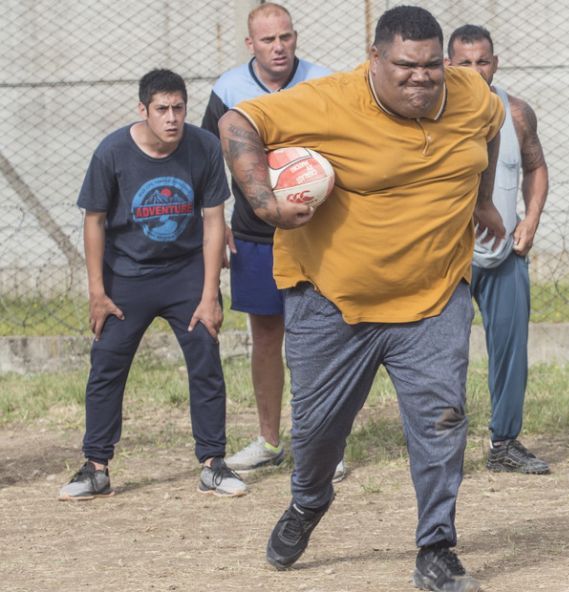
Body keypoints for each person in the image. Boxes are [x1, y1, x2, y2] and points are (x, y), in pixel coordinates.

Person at [217, 6, 504, 591]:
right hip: (332, 300)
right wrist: (264, 203)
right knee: (319, 432)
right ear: (374, 58)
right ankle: (307, 502)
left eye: (431, 66)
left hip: (435, 296)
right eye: (404, 66)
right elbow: (235, 124)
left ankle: (436, 548)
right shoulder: (328, 100)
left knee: (442, 421)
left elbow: (493, 131)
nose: (420, 78)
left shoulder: (470, 93)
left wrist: (481, 197)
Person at [59, 69, 247, 501]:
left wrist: (208, 295)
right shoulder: (112, 152)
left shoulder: (203, 147)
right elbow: (94, 222)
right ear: (143, 110)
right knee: (107, 365)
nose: (172, 118)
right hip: (127, 274)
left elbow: (214, 220)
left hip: (185, 273)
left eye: (178, 108)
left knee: (205, 355)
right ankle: (95, 466)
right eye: (162, 109)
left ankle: (213, 463)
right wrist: (97, 291)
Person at [199, 2, 343, 480]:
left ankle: (324, 445)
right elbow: (207, 168)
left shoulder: (324, 81)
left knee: (322, 339)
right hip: (255, 236)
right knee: (266, 337)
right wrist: (214, 234)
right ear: (250, 44)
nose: (278, 47)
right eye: (267, 40)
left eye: (285, 37)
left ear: (295, 37)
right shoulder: (228, 89)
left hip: (320, 234)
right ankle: (268, 440)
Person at [446, 24, 551, 475]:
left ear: (496, 63)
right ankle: (442, 447)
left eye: (482, 61)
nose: (474, 70)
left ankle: (504, 443)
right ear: (448, 65)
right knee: (443, 353)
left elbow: (537, 168)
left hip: (505, 253)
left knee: (511, 351)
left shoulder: (517, 112)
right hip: (450, 257)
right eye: (464, 62)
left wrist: (530, 219)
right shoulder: (430, 112)